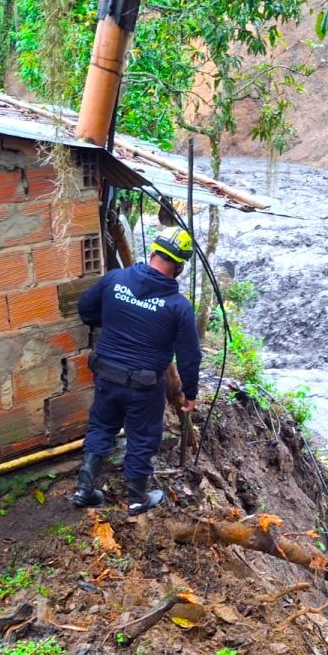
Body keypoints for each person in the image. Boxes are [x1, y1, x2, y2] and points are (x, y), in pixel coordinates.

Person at [72, 204, 201, 514]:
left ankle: (84, 489)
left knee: (101, 426)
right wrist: (191, 393)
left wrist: (118, 322)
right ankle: (136, 496)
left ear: (154, 250)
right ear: (180, 266)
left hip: (106, 373)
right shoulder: (177, 306)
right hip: (144, 385)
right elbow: (189, 356)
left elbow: (86, 310)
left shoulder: (114, 280)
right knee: (143, 436)